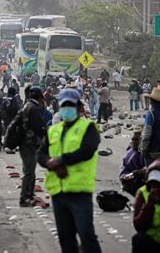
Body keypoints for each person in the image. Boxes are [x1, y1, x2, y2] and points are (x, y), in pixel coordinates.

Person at [37, 88, 102, 253]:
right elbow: (41, 153)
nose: (66, 109)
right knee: (66, 240)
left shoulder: (88, 127)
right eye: (63, 105)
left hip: (79, 191)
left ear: (78, 106)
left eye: (70, 105)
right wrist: (50, 163)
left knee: (87, 235)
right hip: (58, 192)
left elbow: (87, 150)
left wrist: (61, 160)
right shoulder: (53, 130)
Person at [15, 87, 46, 207]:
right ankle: (24, 197)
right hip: (29, 143)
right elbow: (38, 126)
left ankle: (30, 194)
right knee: (29, 171)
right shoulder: (33, 109)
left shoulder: (27, 105)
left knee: (30, 170)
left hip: (26, 143)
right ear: (39, 97)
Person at [119, 130, 146, 197]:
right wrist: (129, 175)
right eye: (133, 139)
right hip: (132, 179)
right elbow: (123, 171)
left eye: (136, 140)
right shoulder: (129, 154)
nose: (134, 141)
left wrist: (140, 172)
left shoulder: (146, 154)